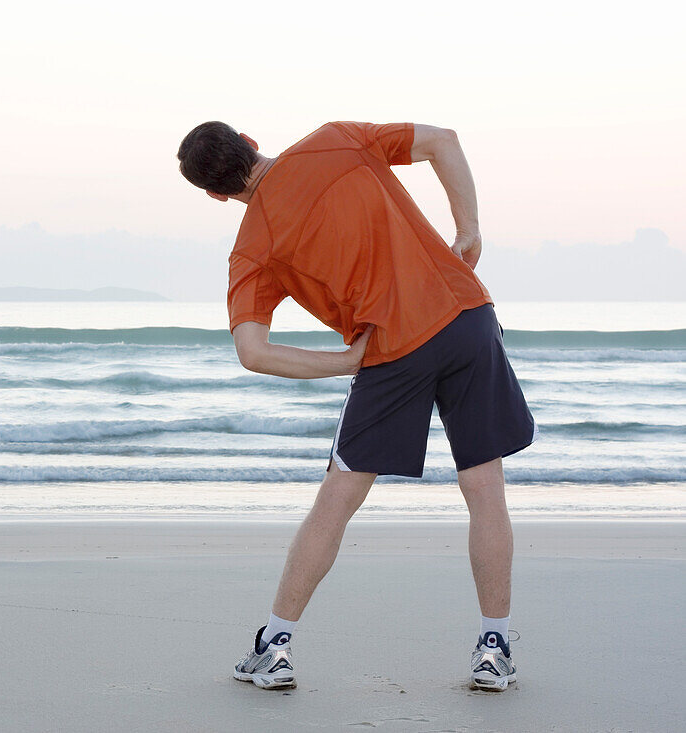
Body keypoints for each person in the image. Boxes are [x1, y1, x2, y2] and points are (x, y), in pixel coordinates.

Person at [176, 120, 537, 692]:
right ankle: (494, 649)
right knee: (484, 486)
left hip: (392, 351)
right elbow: (444, 139)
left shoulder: (252, 248)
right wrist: (467, 230)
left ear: (216, 194)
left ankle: (275, 647)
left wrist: (343, 363)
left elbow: (252, 352)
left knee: (338, 499)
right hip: (465, 315)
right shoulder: (336, 138)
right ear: (248, 140)